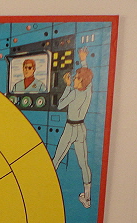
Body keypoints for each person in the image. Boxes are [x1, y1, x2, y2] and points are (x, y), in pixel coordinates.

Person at [52, 48, 94, 208]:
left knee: (56, 159)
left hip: (70, 128)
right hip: (81, 128)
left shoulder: (74, 93)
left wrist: (68, 86)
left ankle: (44, 188)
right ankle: (87, 198)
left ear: (80, 81)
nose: (74, 79)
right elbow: (88, 76)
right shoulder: (88, 91)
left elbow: (60, 105)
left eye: (76, 78)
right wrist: (83, 60)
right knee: (84, 163)